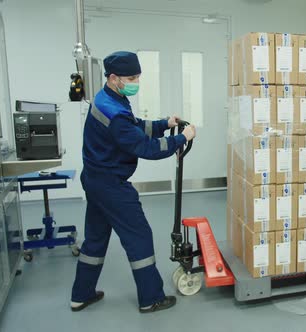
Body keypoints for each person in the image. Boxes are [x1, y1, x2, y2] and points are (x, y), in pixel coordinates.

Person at [70, 51, 196, 313]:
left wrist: (164, 123)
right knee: (139, 236)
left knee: (95, 239)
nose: (135, 81)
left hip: (94, 180)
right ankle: (151, 298)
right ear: (114, 78)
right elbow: (145, 147)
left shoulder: (108, 99)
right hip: (111, 185)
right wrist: (181, 138)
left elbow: (134, 126)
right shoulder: (114, 111)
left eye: (138, 76)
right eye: (131, 77)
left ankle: (81, 295)